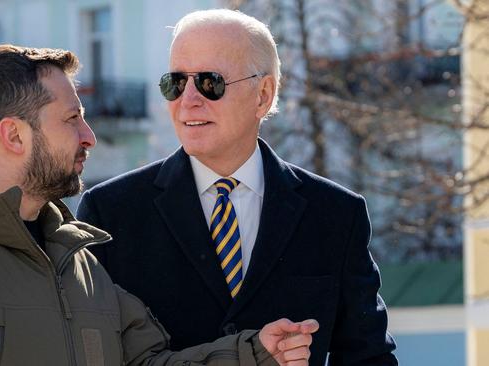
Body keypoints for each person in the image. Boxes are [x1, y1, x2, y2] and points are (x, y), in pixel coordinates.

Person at [0, 44, 318, 366]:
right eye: (72, 119)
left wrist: (254, 353)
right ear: (14, 135)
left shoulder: (77, 261)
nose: (89, 136)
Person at [77, 9, 398, 366]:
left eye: (210, 82)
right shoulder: (110, 212)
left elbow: (369, 357)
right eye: (176, 83)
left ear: (263, 94)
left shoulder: (336, 214)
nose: (188, 100)